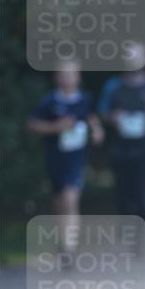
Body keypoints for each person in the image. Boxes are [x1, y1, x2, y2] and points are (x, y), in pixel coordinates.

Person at [28, 65, 104, 253]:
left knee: (71, 199)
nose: (67, 79)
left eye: (71, 75)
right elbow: (32, 125)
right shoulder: (50, 101)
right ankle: (61, 241)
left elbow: (93, 120)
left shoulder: (85, 99)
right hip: (55, 158)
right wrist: (55, 127)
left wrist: (97, 133)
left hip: (77, 159)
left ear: (78, 78)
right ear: (57, 78)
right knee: (59, 202)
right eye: (64, 75)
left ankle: (69, 248)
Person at [97, 45, 145, 220]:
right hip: (119, 147)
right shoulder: (113, 86)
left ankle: (144, 227)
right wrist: (112, 117)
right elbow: (102, 113)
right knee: (122, 189)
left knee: (143, 187)